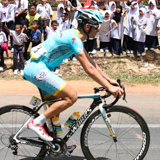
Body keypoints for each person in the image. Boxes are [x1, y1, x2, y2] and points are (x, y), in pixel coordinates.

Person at [22, 9, 123, 142]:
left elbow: (92, 63)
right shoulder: (74, 39)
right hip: (37, 69)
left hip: (39, 68)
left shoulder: (75, 37)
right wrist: (109, 88)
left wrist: (109, 81)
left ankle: (53, 142)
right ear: (88, 26)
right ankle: (36, 123)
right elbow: (88, 69)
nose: (98, 31)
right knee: (71, 96)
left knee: (55, 107)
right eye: (96, 27)